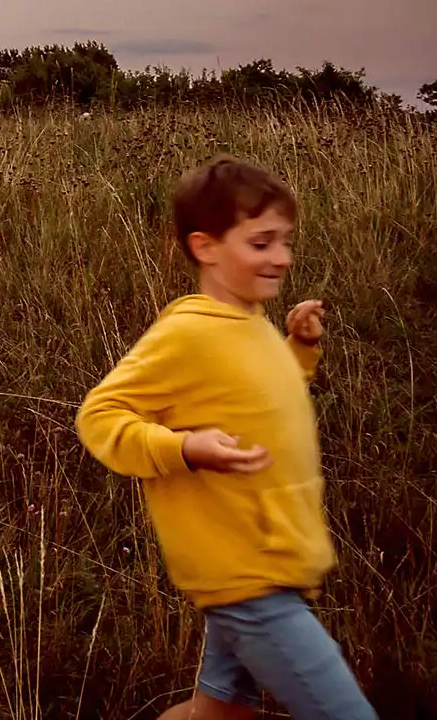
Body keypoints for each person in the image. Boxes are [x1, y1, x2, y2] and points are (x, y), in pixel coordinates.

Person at [75, 155, 376, 720]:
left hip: (271, 559)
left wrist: (299, 347)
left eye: (285, 241)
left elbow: (265, 399)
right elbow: (100, 414)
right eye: (261, 244)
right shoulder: (188, 332)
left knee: (217, 713)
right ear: (205, 246)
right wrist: (183, 449)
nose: (282, 257)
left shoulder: (253, 322)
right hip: (246, 578)